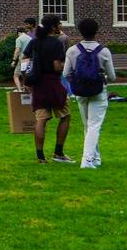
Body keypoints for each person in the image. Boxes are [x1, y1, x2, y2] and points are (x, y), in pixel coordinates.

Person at [66, 17, 116, 169]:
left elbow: (66, 73)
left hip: (80, 91)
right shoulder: (104, 51)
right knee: (94, 126)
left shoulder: (72, 50)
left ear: (80, 31)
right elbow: (112, 77)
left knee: (88, 126)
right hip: (98, 91)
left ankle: (96, 158)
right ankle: (87, 160)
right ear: (96, 31)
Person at [27, 15, 73, 164]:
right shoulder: (56, 43)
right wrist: (63, 66)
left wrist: (27, 80)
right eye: (59, 23)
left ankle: (40, 157)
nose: (60, 25)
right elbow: (56, 66)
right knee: (65, 115)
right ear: (53, 27)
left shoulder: (34, 42)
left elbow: (24, 60)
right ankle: (58, 152)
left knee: (41, 120)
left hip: (38, 84)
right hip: (53, 83)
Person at [12, 18, 37, 102]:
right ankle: (27, 90)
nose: (26, 26)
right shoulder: (29, 37)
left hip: (23, 59)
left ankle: (20, 90)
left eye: (27, 24)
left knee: (16, 75)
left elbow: (17, 50)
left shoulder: (19, 39)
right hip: (31, 59)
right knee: (26, 75)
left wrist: (13, 60)